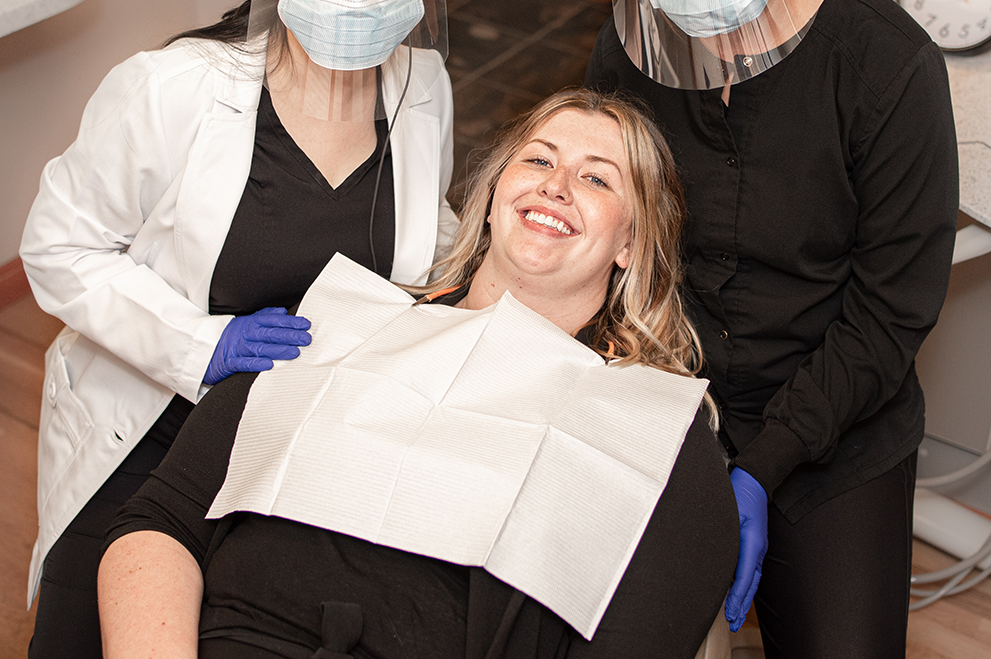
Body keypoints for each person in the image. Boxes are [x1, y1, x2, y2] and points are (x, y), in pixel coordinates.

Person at [97, 88, 739, 659]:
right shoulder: (335, 323)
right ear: (490, 200)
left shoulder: (653, 433)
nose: (557, 185)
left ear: (631, 242)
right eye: (539, 160)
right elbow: (160, 523)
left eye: (598, 180)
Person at [20, 0, 457, 659]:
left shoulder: (421, 88)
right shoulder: (173, 89)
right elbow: (56, 249)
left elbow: (427, 238)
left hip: (307, 433)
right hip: (152, 422)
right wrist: (202, 344)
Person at [586, 0, 959, 657]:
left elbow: (891, 312)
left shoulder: (885, 64)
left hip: (837, 417)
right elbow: (611, 238)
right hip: (670, 401)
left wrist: (764, 462)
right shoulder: (630, 49)